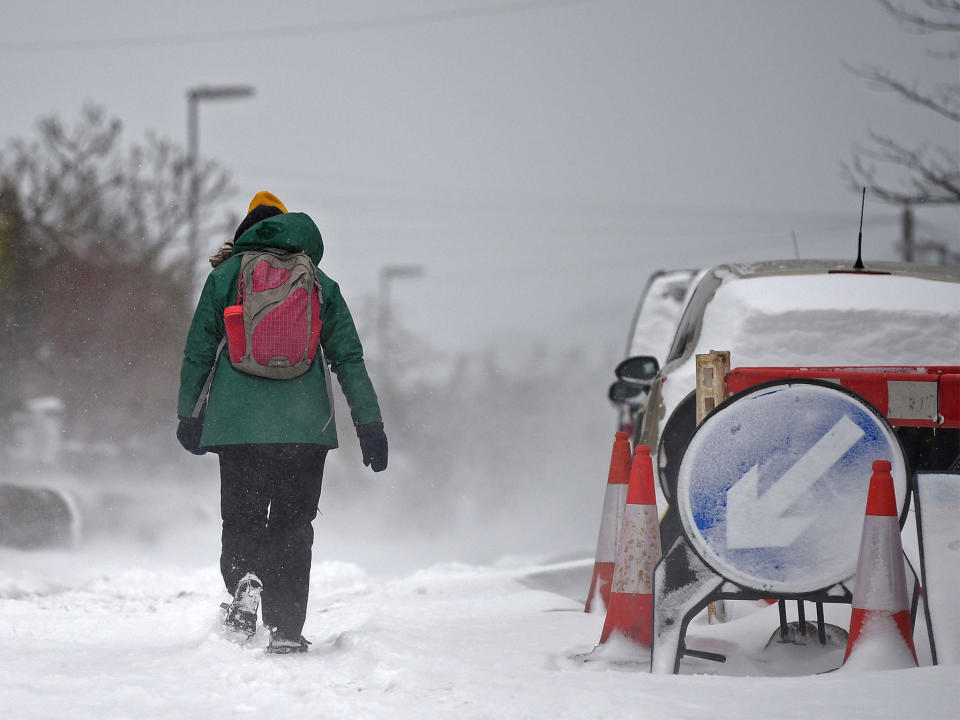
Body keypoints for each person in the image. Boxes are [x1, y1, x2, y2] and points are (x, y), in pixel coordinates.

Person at [176, 191, 387, 654]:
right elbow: (348, 358)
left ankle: (245, 584)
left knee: (243, 519)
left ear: (248, 229)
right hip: (304, 429)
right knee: (293, 525)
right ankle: (287, 629)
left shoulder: (227, 276)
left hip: (238, 427)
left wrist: (188, 413)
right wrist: (369, 424)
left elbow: (198, 351)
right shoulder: (320, 283)